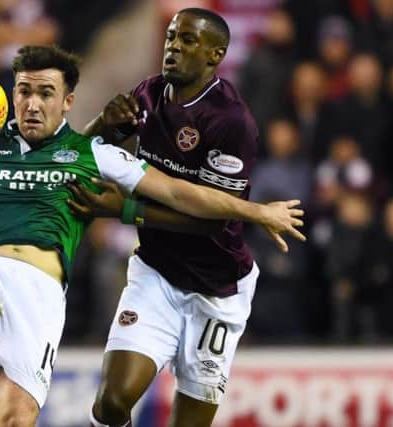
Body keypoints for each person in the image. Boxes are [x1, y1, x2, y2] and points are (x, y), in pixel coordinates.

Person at [0, 44, 305, 426]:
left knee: (15, 418)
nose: (33, 104)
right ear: (11, 95)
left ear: (68, 101)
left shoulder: (90, 154)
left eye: (45, 93)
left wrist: (257, 211)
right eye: (24, 91)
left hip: (38, 295)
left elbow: (177, 192)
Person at [76, 8, 284, 427]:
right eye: (172, 37)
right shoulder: (147, 95)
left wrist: (127, 211)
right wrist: (102, 123)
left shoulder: (231, 122)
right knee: (111, 403)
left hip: (218, 290)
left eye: (188, 40)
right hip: (155, 275)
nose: (174, 47)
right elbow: (84, 158)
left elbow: (214, 219)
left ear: (215, 55)